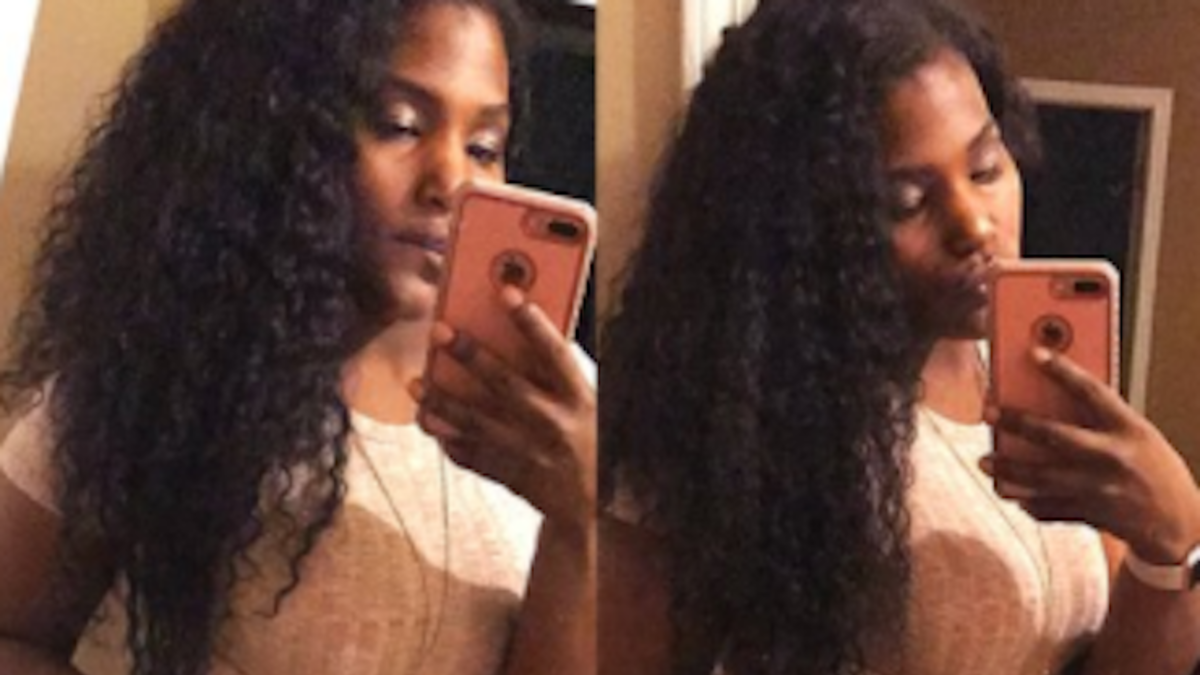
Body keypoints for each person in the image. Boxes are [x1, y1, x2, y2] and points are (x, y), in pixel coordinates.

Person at [599, 0, 1200, 674]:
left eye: (985, 168)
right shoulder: (729, 430)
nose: (975, 225)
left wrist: (1172, 537)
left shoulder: (1034, 379)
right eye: (906, 203)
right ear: (803, 231)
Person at [0, 0, 596, 674]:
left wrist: (577, 520)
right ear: (275, 133)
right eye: (400, 126)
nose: (453, 182)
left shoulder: (559, 400)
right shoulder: (163, 369)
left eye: (483, 147)